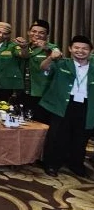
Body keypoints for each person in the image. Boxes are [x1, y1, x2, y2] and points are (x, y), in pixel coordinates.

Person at [39, 36, 93, 178]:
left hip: (86, 106)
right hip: (63, 104)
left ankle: (76, 164)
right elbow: (43, 67)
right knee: (57, 135)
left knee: (81, 137)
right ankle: (51, 164)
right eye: (76, 48)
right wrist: (51, 57)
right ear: (70, 49)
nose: (80, 51)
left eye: (85, 48)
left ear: (90, 51)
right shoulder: (62, 63)